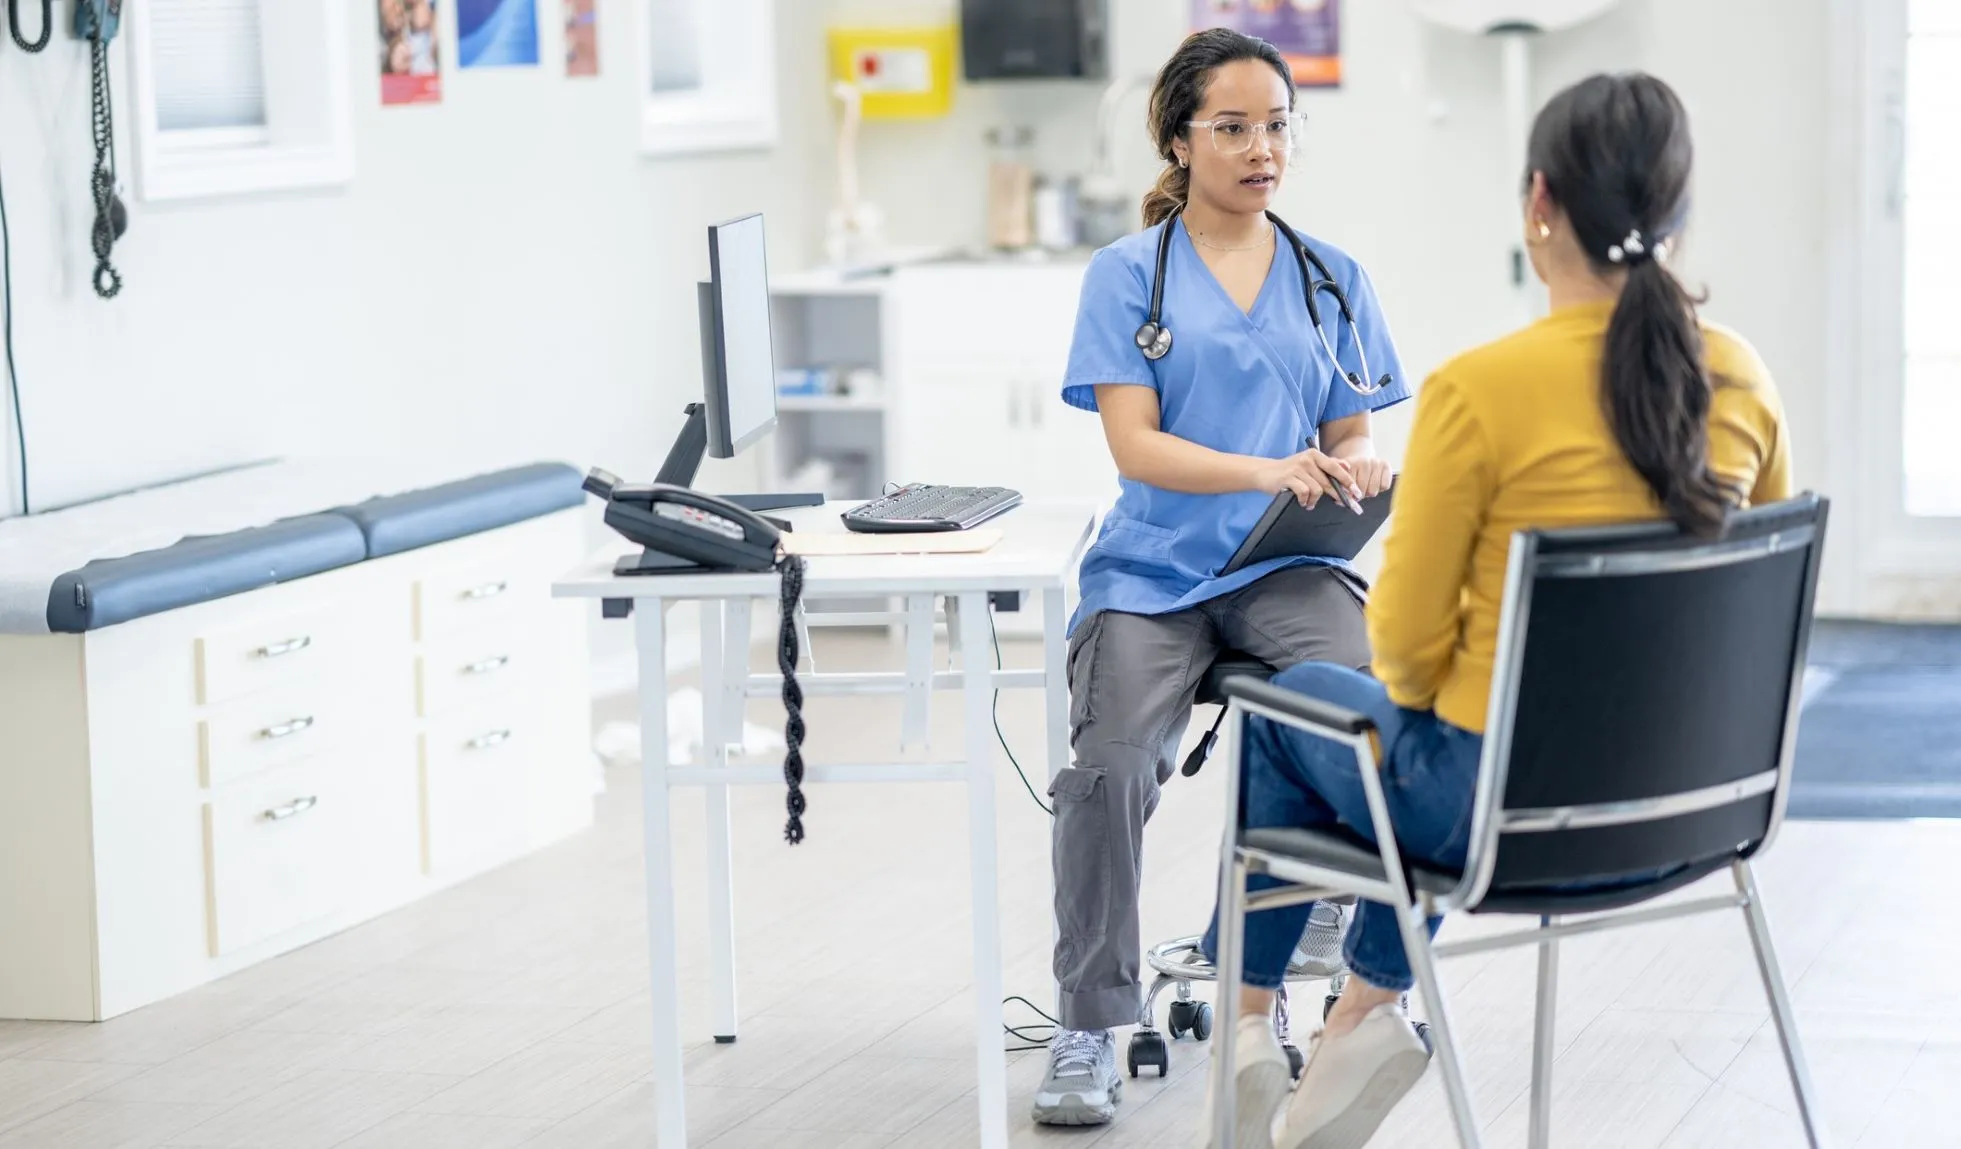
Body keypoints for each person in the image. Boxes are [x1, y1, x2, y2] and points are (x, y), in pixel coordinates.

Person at [1197, 71, 1794, 1149]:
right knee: (1394, 743)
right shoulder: (1741, 375)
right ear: (1676, 212)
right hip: (1699, 812)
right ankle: (1353, 1022)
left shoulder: (1480, 390)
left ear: (1537, 205)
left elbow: (1409, 658)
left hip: (1498, 824)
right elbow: (1763, 617)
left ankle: (1253, 1036)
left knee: (1291, 714)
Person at [1033, 28, 1411, 1128]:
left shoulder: (1330, 275)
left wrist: (1354, 464)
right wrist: (1263, 466)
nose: (1261, 149)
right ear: (1179, 139)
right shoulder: (1125, 275)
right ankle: (1087, 1023)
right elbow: (1134, 450)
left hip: (1287, 562)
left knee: (1354, 720)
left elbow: (1347, 423)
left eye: (1277, 125)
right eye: (1232, 127)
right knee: (1107, 765)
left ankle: (1282, 949)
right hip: (1153, 568)